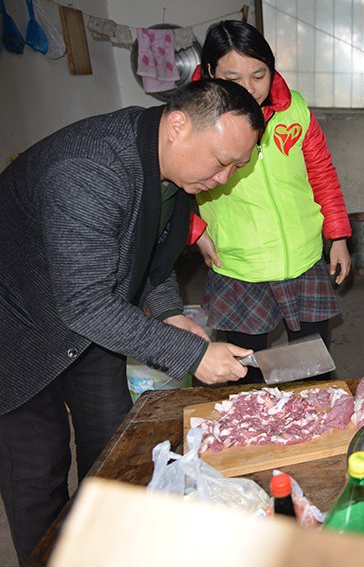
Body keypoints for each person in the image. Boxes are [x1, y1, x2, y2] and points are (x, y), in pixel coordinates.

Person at [0, 78, 265, 564]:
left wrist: (168, 313)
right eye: (222, 160)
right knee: (38, 467)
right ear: (179, 125)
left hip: (89, 316)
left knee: (113, 444)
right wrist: (191, 353)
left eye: (237, 167)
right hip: (17, 326)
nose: (224, 177)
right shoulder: (88, 169)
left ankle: (102, 548)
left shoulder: (176, 171)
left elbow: (149, 257)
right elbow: (83, 304)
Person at [192, 20, 352, 384]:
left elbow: (322, 174)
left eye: (258, 75)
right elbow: (172, 182)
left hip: (305, 256)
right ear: (210, 72)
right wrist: (193, 230)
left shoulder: (294, 110)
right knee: (247, 371)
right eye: (233, 79)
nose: (248, 89)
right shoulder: (195, 121)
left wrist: (338, 237)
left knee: (311, 366)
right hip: (240, 265)